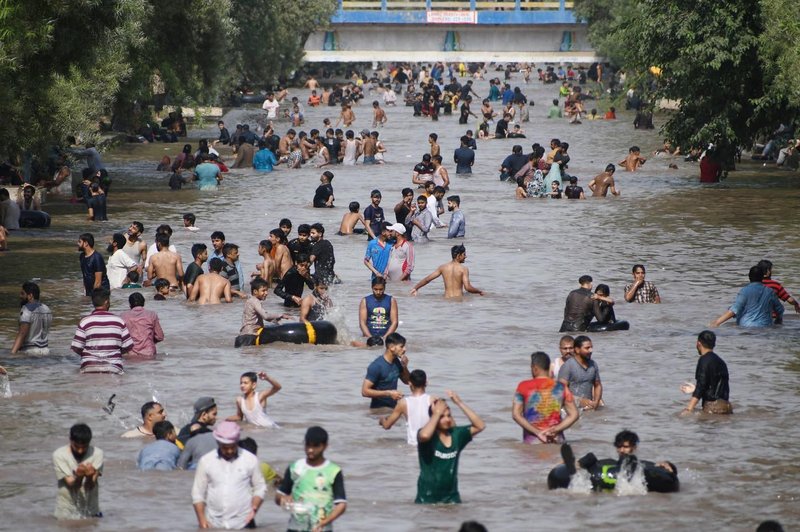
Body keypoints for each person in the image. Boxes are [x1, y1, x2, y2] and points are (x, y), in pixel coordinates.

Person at [192, 421, 267, 529]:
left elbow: (260, 487)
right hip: (214, 523)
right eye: (225, 447)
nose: (230, 450)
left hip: (244, 522)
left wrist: (254, 508)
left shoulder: (250, 460)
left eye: (233, 446)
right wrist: (202, 520)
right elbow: (197, 493)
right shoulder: (206, 461)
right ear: (218, 442)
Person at [415, 390, 485, 504]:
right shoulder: (426, 436)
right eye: (442, 416)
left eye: (449, 416)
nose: (447, 419)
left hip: (451, 498)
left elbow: (480, 425)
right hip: (427, 498)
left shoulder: (457, 435)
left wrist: (459, 402)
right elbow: (424, 435)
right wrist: (437, 413)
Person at [275, 426, 347, 532]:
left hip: (322, 528)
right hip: (295, 528)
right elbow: (279, 495)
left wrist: (324, 522)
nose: (310, 450)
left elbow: (341, 504)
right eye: (308, 445)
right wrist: (282, 499)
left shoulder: (333, 471)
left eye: (315, 446)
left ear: (325, 446)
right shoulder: (295, 468)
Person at [512, 351, 579, 443]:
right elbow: (574, 414)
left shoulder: (523, 386)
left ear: (534, 368)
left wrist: (538, 432)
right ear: (548, 368)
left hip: (533, 442)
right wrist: (555, 430)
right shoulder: (561, 387)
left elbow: (516, 415)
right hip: (556, 440)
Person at [71, 289, 132, 375]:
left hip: (89, 367)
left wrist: (88, 355)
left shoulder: (85, 321)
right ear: (107, 302)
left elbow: (76, 347)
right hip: (113, 367)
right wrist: (115, 352)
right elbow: (128, 346)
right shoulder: (119, 321)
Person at [53, 423, 104, 519]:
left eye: (84, 447)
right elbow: (72, 485)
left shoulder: (97, 454)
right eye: (76, 446)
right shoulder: (59, 455)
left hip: (92, 511)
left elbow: (90, 486)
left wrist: (89, 476)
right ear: (70, 441)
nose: (80, 451)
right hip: (66, 512)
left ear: (89, 442)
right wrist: (79, 476)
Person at [711, 265, 784, 327]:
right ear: (762, 278)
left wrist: (716, 323)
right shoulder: (770, 292)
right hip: (765, 326)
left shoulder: (745, 291)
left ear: (749, 277)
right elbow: (780, 309)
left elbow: (734, 310)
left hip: (746, 326)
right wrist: (778, 321)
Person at [680, 330, 732, 414]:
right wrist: (694, 389)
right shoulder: (721, 362)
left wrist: (689, 409)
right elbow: (717, 387)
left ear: (698, 344)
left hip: (713, 407)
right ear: (713, 344)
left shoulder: (703, 360)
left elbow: (701, 385)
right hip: (726, 406)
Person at [379, 369, 433, 445]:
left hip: (412, 446)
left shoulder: (403, 403)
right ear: (426, 383)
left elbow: (387, 425)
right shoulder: (433, 400)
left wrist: (382, 420)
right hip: (430, 446)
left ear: (410, 383)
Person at [362, 332, 411, 409]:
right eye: (401, 346)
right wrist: (389, 393)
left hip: (392, 408)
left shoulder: (397, 362)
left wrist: (405, 367)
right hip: (378, 411)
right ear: (391, 347)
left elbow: (407, 381)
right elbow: (365, 391)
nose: (405, 349)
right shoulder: (376, 366)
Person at [236, 278, 290, 345]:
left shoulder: (250, 300)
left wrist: (277, 322)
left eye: (267, 290)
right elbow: (266, 316)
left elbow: (262, 316)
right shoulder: (255, 301)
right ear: (255, 291)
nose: (266, 293)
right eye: (263, 291)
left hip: (241, 337)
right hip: (250, 337)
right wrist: (281, 315)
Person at [558, 336, 603, 410]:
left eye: (591, 347)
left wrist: (596, 401)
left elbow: (597, 385)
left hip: (589, 408)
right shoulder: (568, 366)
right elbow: (561, 391)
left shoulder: (593, 365)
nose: (591, 350)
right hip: (571, 410)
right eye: (587, 348)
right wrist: (580, 401)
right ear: (577, 350)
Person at [11, 281, 52, 355]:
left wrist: (12, 354)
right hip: (46, 351)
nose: (20, 296)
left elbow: (22, 333)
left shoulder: (26, 309)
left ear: (30, 296)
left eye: (22, 293)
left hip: (30, 352)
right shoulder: (47, 309)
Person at [120, 292, 164, 358]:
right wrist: (149, 340)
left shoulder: (123, 316)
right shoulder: (152, 315)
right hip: (149, 353)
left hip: (130, 354)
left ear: (130, 304)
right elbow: (160, 336)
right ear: (143, 302)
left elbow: (119, 337)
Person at [359, 276, 399, 341]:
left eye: (381, 289)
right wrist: (370, 338)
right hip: (368, 336)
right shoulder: (365, 301)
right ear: (372, 288)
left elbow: (395, 322)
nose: (378, 292)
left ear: (384, 288)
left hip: (386, 336)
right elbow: (362, 323)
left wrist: (385, 337)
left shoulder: (391, 300)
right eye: (375, 289)